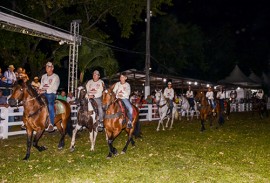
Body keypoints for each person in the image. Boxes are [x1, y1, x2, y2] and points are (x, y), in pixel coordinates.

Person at [38, 62, 60, 132]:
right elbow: (41, 85)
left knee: (50, 105)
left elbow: (54, 88)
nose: (47, 68)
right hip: (43, 93)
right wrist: (39, 90)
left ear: (52, 68)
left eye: (49, 67)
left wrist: (44, 91)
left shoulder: (55, 77)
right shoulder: (43, 76)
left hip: (51, 94)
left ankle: (51, 123)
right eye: (46, 67)